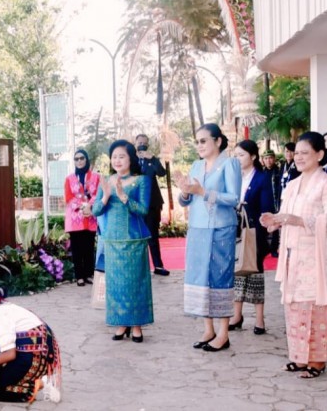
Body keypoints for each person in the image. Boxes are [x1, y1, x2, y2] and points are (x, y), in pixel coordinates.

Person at [260, 132, 327, 379]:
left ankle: (317, 360)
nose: (299, 157)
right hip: (293, 255)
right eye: (296, 153)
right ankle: (299, 357)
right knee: (295, 306)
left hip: (316, 258)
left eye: (305, 153)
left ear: (319, 155)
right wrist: (274, 221)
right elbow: (286, 215)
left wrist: (298, 220)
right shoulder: (293, 184)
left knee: (316, 307)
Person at [177, 123, 241, 352]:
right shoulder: (196, 165)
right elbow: (185, 200)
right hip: (197, 227)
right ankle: (208, 328)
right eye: (197, 141)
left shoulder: (230, 163)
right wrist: (185, 191)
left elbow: (234, 199)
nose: (199, 146)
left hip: (221, 228)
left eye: (204, 141)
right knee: (200, 277)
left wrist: (203, 192)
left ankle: (223, 333)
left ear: (218, 141)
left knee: (219, 277)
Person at [0, 277, 61, 403]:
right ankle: (4, 375)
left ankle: (36, 383)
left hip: (38, 354)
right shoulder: (2, 307)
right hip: (40, 347)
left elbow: (10, 354)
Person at [92, 139, 153, 343]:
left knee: (135, 283)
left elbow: (144, 210)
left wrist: (124, 197)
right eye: (114, 157)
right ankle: (121, 324)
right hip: (111, 240)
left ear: (130, 158)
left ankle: (136, 325)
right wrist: (106, 196)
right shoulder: (106, 180)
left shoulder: (142, 180)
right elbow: (95, 211)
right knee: (116, 285)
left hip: (134, 240)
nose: (117, 160)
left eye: (121, 156)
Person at [229, 140, 274, 335]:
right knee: (237, 273)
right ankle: (237, 316)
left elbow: (267, 207)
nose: (237, 159)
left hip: (254, 232)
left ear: (253, 156)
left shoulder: (262, 178)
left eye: (241, 155)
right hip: (234, 231)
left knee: (255, 274)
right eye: (236, 155)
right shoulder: (233, 176)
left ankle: (259, 319)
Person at [64, 149, 100, 287]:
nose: (79, 161)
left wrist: (90, 206)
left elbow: (98, 193)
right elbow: (68, 197)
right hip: (75, 219)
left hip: (90, 217)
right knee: (77, 248)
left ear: (86, 160)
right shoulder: (69, 178)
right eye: (76, 159)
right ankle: (79, 276)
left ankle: (89, 274)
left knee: (89, 247)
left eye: (82, 158)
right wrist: (82, 205)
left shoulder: (96, 177)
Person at [135, 134, 170, 276]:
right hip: (135, 204)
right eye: (140, 142)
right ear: (135, 143)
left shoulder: (152, 160)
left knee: (152, 236)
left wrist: (153, 159)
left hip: (152, 204)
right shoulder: (132, 160)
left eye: (145, 143)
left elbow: (162, 173)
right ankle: (139, 268)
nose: (142, 145)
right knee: (136, 237)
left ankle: (158, 266)